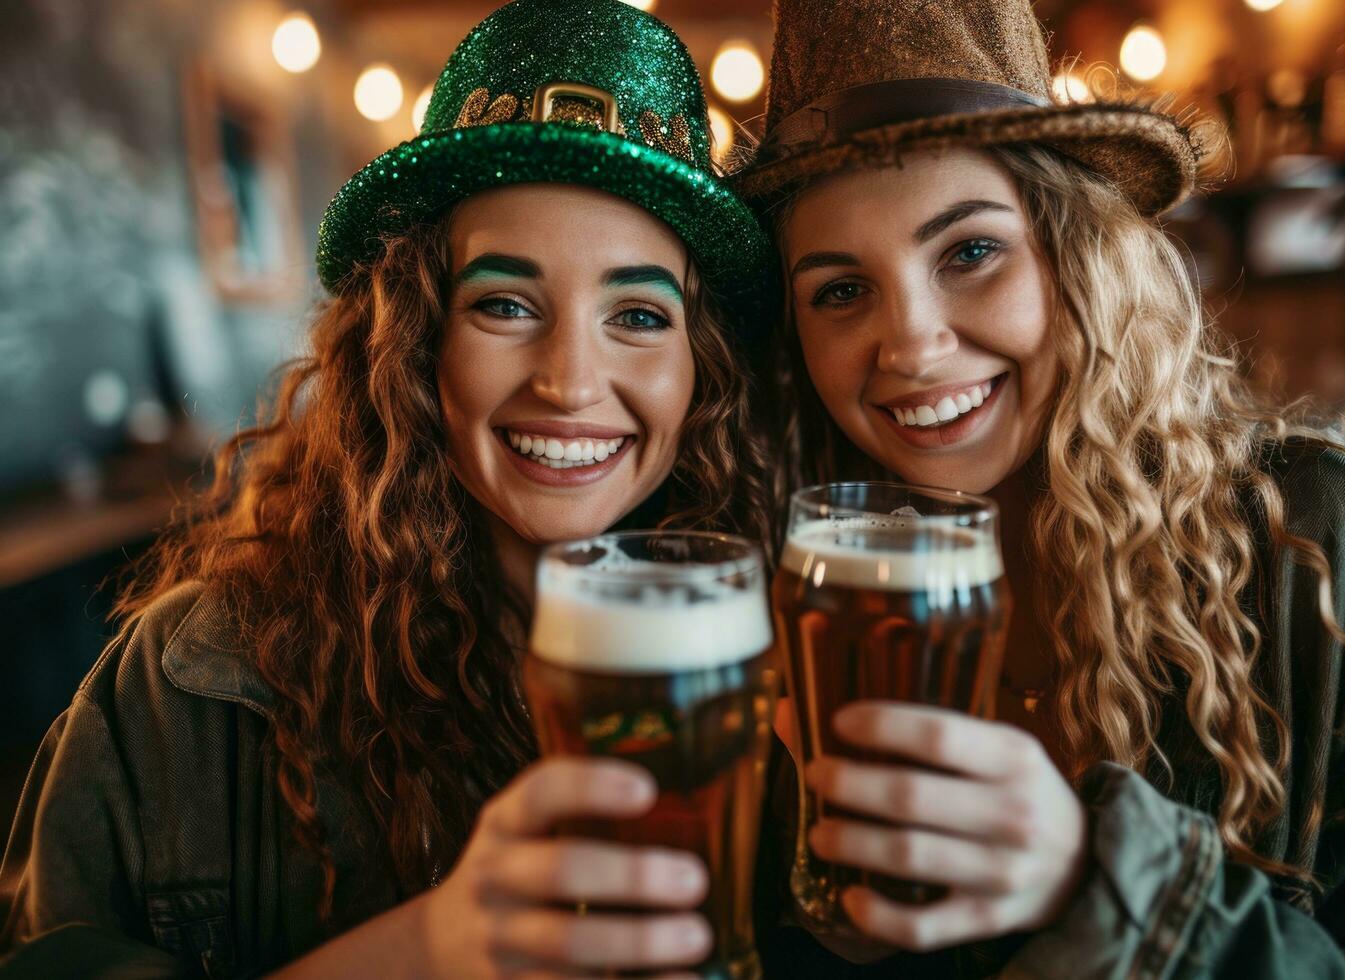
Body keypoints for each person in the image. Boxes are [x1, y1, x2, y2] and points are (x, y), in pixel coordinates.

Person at [0, 1, 776, 976]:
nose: (571, 381)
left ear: (700, 363)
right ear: (414, 343)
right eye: (503, 303)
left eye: (638, 313)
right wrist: (424, 948)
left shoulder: (784, 661)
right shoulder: (189, 680)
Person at [735, 0, 1345, 976]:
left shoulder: (1312, 550)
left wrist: (1103, 882)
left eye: (969, 253)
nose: (911, 344)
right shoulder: (791, 589)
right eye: (839, 289)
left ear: (1076, 254)